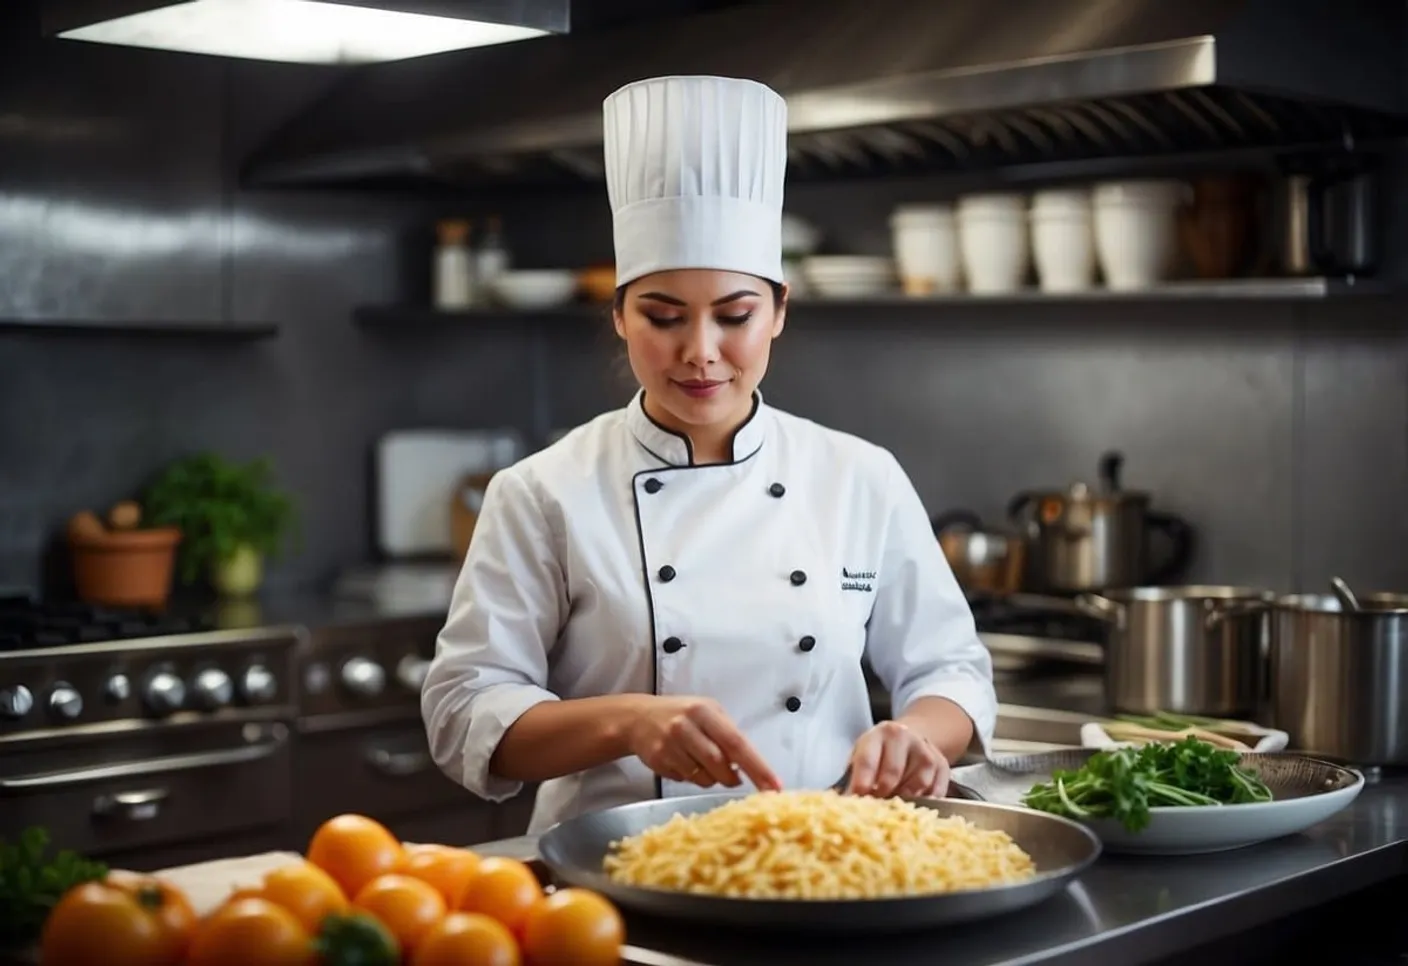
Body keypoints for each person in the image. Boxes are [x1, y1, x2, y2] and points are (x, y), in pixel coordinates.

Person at [422, 74, 996, 836]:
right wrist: (628, 723)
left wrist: (917, 736)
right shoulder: (543, 492)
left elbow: (950, 668)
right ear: (620, 316)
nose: (701, 354)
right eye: (663, 316)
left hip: (827, 859)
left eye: (734, 316)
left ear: (780, 312)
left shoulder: (858, 476)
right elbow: (464, 709)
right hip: (612, 868)